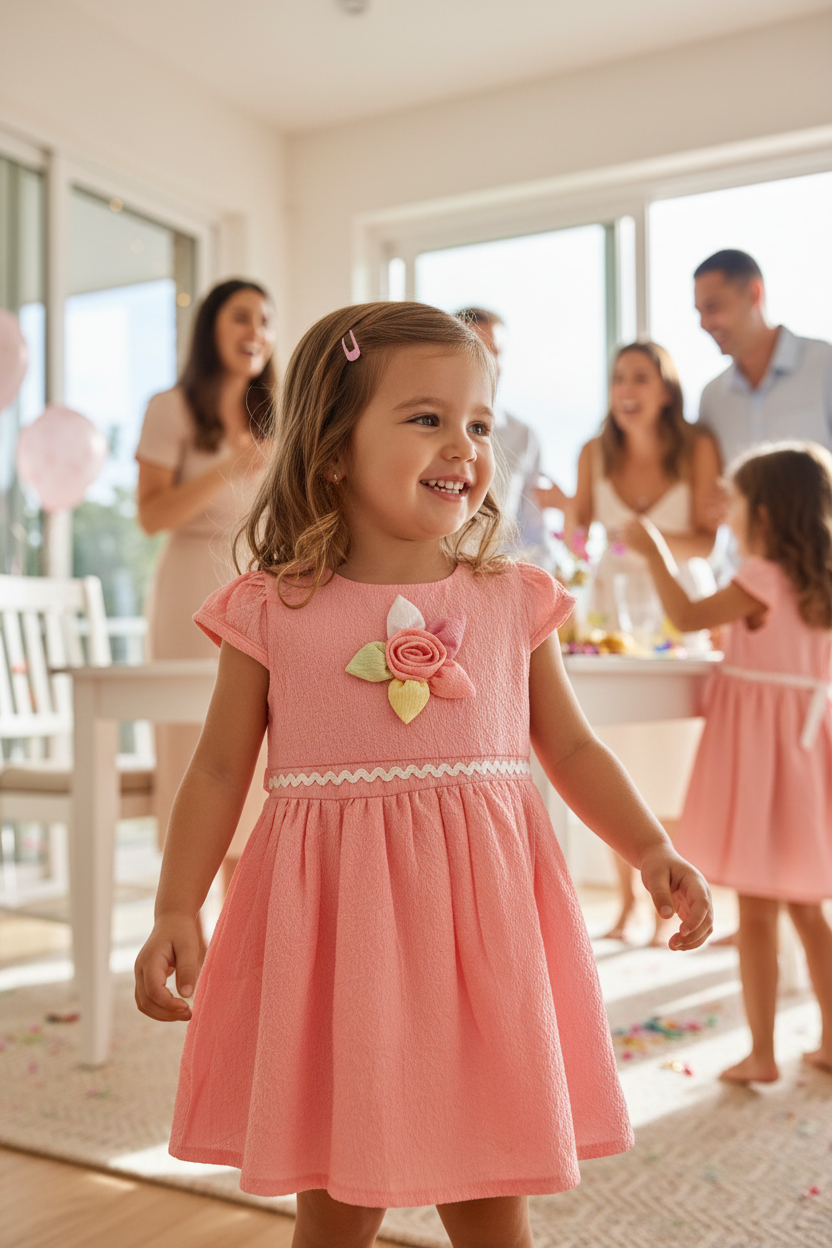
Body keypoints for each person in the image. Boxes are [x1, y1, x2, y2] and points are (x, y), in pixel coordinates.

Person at [133, 301, 712, 1248]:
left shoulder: (510, 596)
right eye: (426, 418)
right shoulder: (272, 608)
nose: (464, 445)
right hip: (336, 947)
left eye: (478, 423)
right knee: (336, 1204)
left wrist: (648, 847)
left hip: (480, 944)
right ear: (330, 449)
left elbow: (566, 747)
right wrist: (175, 905)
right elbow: (218, 768)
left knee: (491, 1199)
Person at [624, 442, 832, 1084]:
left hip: (764, 756)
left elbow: (685, 614)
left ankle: (764, 1054)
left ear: (764, 515)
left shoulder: (762, 578)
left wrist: (653, 549)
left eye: (736, 502)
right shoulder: (815, 579)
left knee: (762, 908)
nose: (730, 514)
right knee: (806, 906)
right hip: (804, 755)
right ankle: (829, 1039)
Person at [538, 341, 722, 942]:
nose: (626, 389)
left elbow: (709, 541)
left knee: (668, 756)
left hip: (678, 607)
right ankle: (626, 903)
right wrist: (566, 513)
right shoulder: (594, 451)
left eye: (640, 378)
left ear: (666, 389)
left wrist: (655, 547)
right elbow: (579, 539)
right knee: (612, 746)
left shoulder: (696, 447)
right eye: (619, 377)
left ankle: (673, 888)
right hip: (613, 613)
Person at [136, 278, 276, 895]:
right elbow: (151, 515)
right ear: (211, 328)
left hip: (256, 590)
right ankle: (191, 916)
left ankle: (242, 929)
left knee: (259, 746)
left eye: (266, 321)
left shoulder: (276, 417)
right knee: (195, 743)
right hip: (188, 586)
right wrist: (227, 464)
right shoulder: (171, 408)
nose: (256, 333)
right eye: (242, 318)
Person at [695, 249, 832, 464]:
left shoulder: (825, 366)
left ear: (755, 294)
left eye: (713, 307)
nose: (704, 324)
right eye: (699, 312)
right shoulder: (711, 399)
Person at [455, 307, 549, 564]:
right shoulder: (427, 428)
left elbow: (532, 529)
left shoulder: (525, 436)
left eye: (495, 351)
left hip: (498, 574)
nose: (487, 361)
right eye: (477, 348)